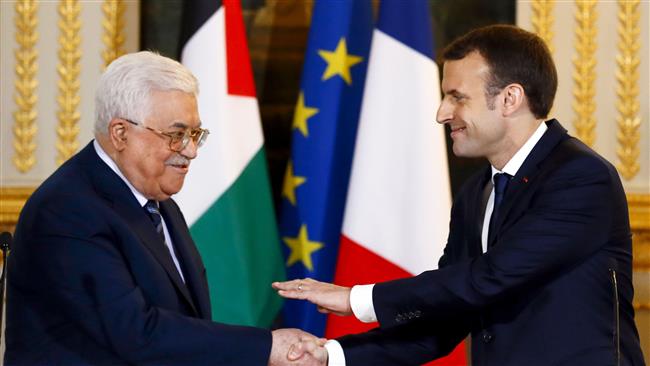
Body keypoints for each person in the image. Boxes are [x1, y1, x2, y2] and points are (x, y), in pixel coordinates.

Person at [273, 25, 645, 366]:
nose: (441, 113)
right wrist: (332, 355)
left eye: (456, 97)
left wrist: (357, 299)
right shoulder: (476, 192)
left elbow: (490, 277)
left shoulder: (581, 177)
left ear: (510, 98)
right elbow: (445, 316)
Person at [5, 51, 319, 365]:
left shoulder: (157, 201)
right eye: (176, 135)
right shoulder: (68, 210)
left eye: (195, 134)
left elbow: (186, 319)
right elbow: (136, 333)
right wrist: (267, 347)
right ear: (120, 133)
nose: (191, 151)